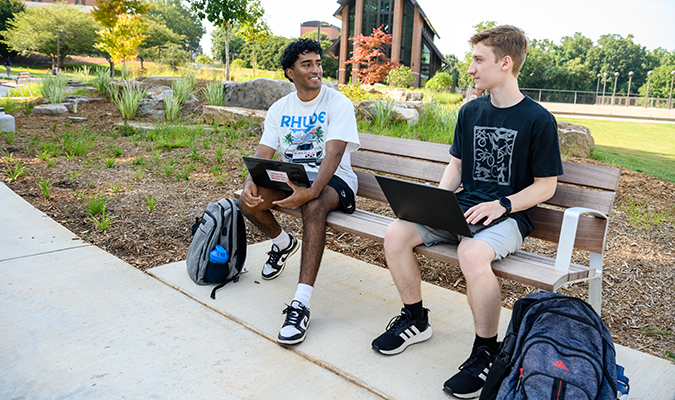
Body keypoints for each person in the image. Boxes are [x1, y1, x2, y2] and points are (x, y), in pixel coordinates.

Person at [371, 25, 564, 398]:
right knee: (396, 232)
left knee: (471, 252)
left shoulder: (538, 120)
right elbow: (456, 167)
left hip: (507, 217)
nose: (471, 68)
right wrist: (434, 203)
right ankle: (415, 320)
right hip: (460, 209)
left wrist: (503, 204)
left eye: (479, 60)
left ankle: (486, 352)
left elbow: (546, 186)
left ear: (505, 63)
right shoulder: (471, 111)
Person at [238, 38, 360, 346]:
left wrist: (312, 191)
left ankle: (301, 303)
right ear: (290, 72)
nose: (316, 69)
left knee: (314, 206)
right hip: (295, 178)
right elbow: (265, 150)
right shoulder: (280, 109)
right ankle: (282, 242)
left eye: (318, 63)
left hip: (335, 180)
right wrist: (250, 181)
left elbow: (333, 154)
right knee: (248, 202)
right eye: (307, 64)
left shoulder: (337, 103)